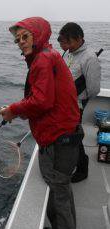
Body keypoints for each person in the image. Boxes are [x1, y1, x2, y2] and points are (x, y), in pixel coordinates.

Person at [0, 17, 82, 229]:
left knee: (59, 196)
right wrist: (20, 111)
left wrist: (13, 110)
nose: (21, 42)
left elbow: (42, 101)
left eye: (25, 37)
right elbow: (43, 98)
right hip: (66, 136)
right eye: (17, 40)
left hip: (59, 141)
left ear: (38, 35)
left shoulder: (42, 60)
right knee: (62, 191)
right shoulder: (48, 54)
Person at [58, 22, 101, 183]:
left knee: (73, 136)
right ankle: (68, 161)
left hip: (76, 105)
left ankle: (82, 169)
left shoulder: (90, 58)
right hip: (64, 103)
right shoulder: (71, 53)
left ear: (79, 38)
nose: (65, 46)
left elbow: (94, 89)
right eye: (63, 42)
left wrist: (77, 99)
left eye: (68, 42)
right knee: (65, 134)